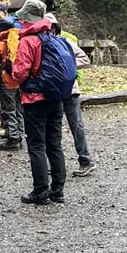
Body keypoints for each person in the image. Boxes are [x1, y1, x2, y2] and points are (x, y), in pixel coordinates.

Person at [12, 0, 74, 204]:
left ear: (27, 19)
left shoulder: (28, 41)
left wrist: (13, 71)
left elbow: (20, 73)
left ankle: (40, 192)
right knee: (54, 144)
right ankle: (58, 190)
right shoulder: (54, 37)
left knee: (36, 145)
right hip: (56, 98)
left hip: (34, 100)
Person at [46, 12, 96, 177]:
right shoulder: (42, 44)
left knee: (76, 126)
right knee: (53, 128)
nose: (50, 30)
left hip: (70, 91)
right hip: (53, 92)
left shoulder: (66, 42)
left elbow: (85, 59)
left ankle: (85, 160)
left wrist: (67, 66)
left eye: (52, 27)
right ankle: (56, 163)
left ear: (56, 28)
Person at [0, 19, 25, 151]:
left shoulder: (1, 42)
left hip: (7, 80)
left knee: (9, 110)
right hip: (18, 80)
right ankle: (20, 135)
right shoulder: (19, 38)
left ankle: (13, 139)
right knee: (18, 109)